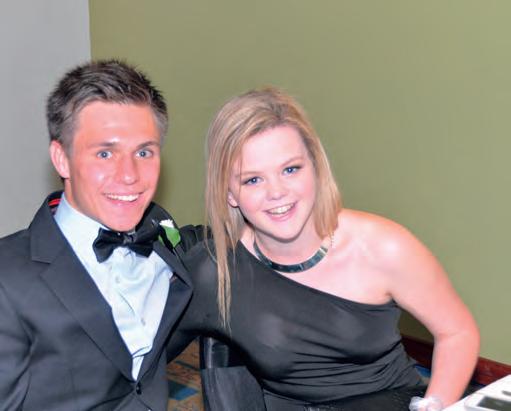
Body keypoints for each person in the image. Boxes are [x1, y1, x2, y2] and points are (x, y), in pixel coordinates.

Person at [168, 87, 480, 410]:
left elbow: (457, 332)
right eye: (253, 180)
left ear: (316, 167)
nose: (277, 192)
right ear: (229, 193)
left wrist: (435, 405)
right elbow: (141, 362)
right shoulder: (214, 271)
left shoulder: (382, 247)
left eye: (290, 169)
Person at [0, 60, 195, 410]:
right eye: (105, 153)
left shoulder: (164, 238)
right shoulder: (7, 279)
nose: (129, 175)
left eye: (144, 152)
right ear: (62, 159)